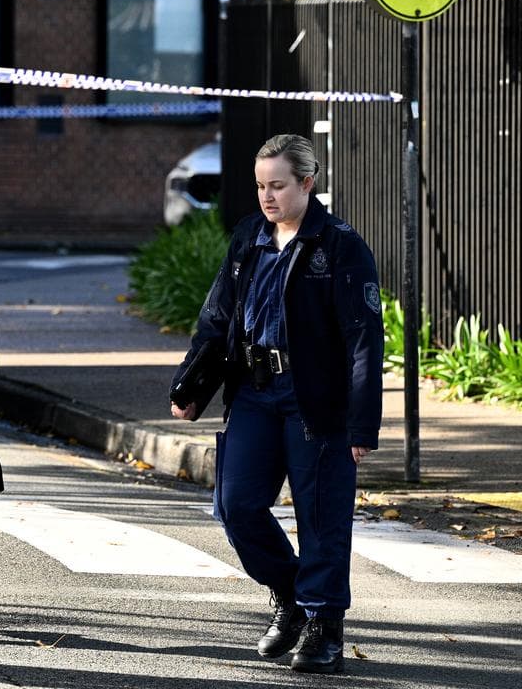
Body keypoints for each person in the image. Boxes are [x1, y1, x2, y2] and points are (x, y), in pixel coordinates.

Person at [170, 134, 383, 674]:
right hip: (254, 393)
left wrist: (362, 424)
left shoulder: (339, 244)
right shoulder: (249, 236)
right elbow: (217, 319)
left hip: (315, 401)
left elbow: (363, 338)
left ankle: (323, 627)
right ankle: (292, 601)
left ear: (308, 183)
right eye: (261, 185)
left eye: (279, 186)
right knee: (235, 506)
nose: (268, 197)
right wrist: (192, 387)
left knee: (320, 518)